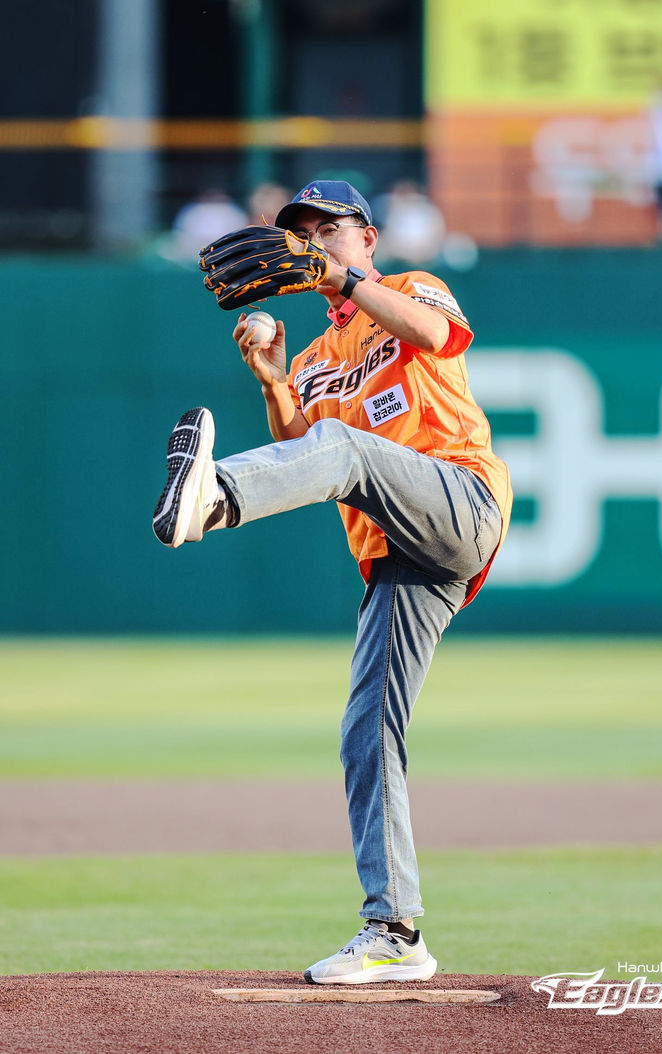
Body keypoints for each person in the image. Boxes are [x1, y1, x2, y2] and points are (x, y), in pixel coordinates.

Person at [152, 179, 512, 984]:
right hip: (399, 556)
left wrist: (340, 280)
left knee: (348, 450)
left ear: (368, 239)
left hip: (460, 498)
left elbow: (436, 334)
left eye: (329, 229)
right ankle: (395, 933)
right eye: (301, 231)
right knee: (365, 731)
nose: (313, 241)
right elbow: (303, 449)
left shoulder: (410, 288)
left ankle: (215, 498)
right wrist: (277, 379)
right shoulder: (318, 357)